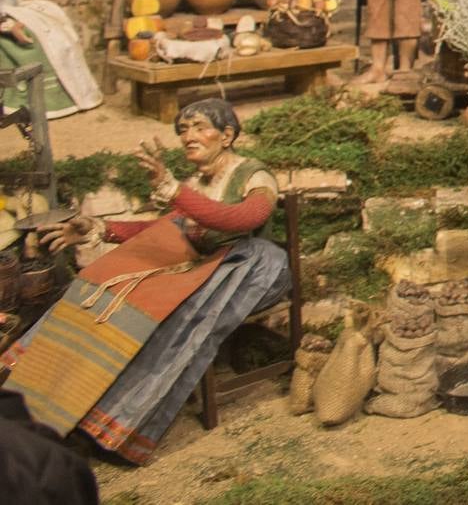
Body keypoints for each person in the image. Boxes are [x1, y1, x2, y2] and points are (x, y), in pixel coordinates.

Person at [1, 100, 288, 464]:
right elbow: (167, 226)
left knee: (178, 321)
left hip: (251, 267)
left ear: (227, 135)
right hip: (203, 263)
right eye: (182, 130)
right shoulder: (195, 183)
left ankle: (111, 427)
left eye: (199, 127)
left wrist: (174, 192)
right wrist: (99, 229)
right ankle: (45, 404)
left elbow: (243, 218)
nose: (188, 137)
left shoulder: (253, 174)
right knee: (103, 292)